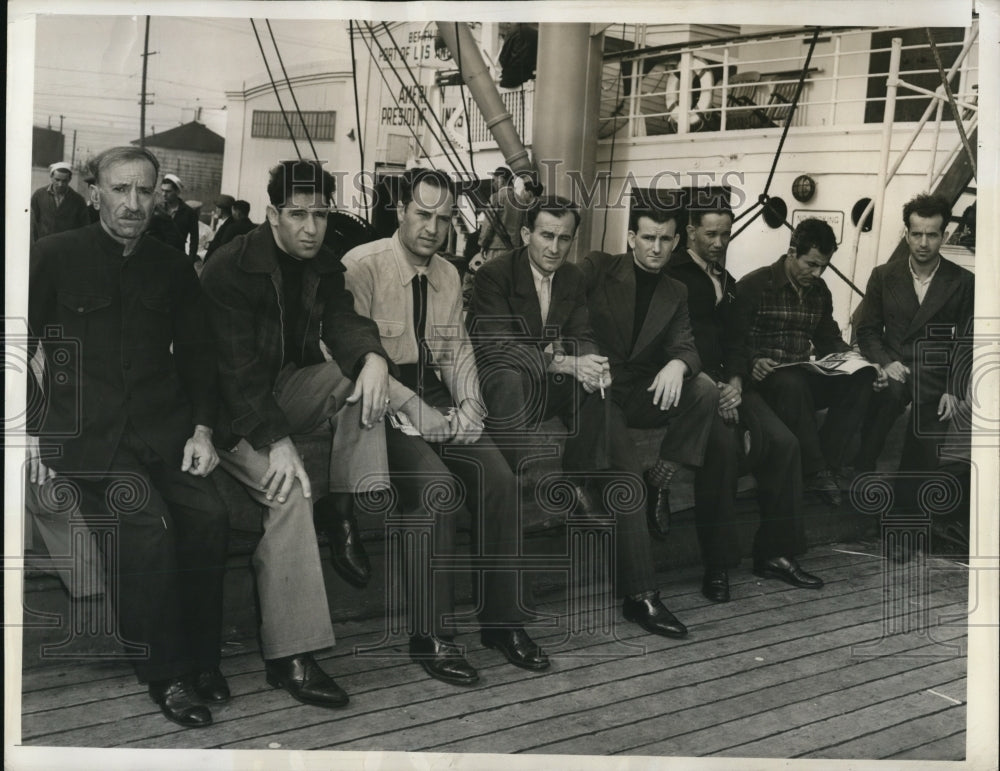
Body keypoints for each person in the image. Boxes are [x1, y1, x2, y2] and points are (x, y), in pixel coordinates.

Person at [27, 146, 229, 728]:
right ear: (97, 193)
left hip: (162, 434)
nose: (133, 204)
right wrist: (38, 431)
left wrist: (202, 429)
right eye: (120, 190)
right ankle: (166, 674)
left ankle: (202, 659)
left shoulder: (172, 267)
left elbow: (197, 357)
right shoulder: (54, 255)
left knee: (210, 516)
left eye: (144, 192)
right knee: (146, 524)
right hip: (90, 441)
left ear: (158, 197)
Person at [343, 168, 550, 686]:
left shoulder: (449, 274)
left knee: (498, 479)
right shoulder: (361, 266)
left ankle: (502, 622)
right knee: (435, 489)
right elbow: (345, 357)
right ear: (400, 213)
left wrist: (472, 404)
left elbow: (456, 349)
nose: (433, 229)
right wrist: (418, 411)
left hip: (432, 393)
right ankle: (430, 634)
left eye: (443, 219)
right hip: (376, 404)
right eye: (423, 215)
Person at [201, 160, 395, 709]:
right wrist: (276, 440)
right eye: (297, 214)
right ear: (271, 215)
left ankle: (345, 508)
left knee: (360, 376)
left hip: (282, 390)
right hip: (226, 412)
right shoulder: (229, 269)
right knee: (288, 492)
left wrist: (374, 357)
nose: (311, 227)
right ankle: (291, 656)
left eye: (320, 214)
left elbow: (344, 323)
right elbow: (232, 371)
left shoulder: (323, 266)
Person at [468, 194, 694, 640]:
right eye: (546, 236)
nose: (555, 247)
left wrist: (591, 365)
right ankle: (505, 612)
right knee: (514, 384)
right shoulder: (494, 274)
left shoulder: (571, 277)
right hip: (507, 388)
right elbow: (495, 345)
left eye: (564, 238)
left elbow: (583, 334)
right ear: (526, 234)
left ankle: (640, 592)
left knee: (605, 407)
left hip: (553, 386)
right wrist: (565, 363)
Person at [667, 202, 822, 599]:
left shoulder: (728, 281)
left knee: (785, 445)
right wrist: (716, 387)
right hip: (695, 388)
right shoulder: (674, 277)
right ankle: (717, 565)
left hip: (732, 385)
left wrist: (736, 379)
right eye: (710, 234)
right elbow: (678, 342)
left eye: (725, 234)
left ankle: (775, 552)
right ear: (690, 233)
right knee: (722, 453)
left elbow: (737, 340)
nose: (719, 243)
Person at [734, 218, 880, 506]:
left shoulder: (820, 292)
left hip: (800, 377)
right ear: (792, 252)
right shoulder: (754, 285)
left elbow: (828, 339)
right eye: (811, 264)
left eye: (823, 266)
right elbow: (732, 340)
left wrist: (858, 360)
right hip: (765, 380)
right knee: (792, 382)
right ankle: (816, 471)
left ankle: (827, 464)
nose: (817, 272)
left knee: (862, 379)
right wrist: (754, 359)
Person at [854, 193, 974, 517]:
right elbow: (866, 330)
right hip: (894, 368)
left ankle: (901, 520)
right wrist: (884, 362)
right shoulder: (883, 275)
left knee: (926, 444)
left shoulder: (963, 282)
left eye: (932, 234)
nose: (923, 242)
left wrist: (954, 387)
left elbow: (967, 340)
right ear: (905, 233)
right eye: (916, 233)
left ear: (944, 236)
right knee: (885, 398)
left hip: (936, 378)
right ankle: (859, 472)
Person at [30, 161, 91, 242]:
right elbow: (32, 222)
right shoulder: (39, 195)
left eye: (64, 181)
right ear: (51, 177)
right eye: (57, 180)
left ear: (70, 179)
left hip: (66, 246)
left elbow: (84, 227)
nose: (60, 184)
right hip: (43, 245)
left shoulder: (78, 200)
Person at [148, 173, 201, 261]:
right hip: (157, 256)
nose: (164, 194)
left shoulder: (189, 213)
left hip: (177, 256)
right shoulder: (157, 209)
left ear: (177, 192)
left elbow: (194, 240)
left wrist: (190, 261)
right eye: (162, 190)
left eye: (168, 191)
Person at [203, 194, 238, 260]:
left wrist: (210, 245)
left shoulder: (229, 225)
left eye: (217, 207)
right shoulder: (225, 222)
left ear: (221, 210)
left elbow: (222, 245)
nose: (216, 210)